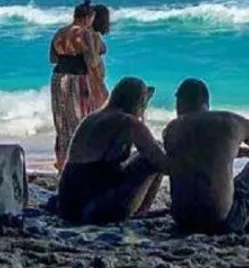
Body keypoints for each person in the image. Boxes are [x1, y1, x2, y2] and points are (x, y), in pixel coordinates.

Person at [161, 78, 249, 234]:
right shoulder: (231, 121)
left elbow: (198, 155)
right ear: (206, 102)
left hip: (182, 221)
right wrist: (247, 151)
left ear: (179, 103)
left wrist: (236, 151)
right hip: (222, 223)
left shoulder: (171, 129)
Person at [56, 76, 168, 225]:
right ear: (139, 101)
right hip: (95, 209)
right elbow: (162, 163)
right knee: (154, 155)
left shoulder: (93, 118)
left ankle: (139, 211)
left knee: (141, 155)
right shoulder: (128, 121)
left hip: (68, 206)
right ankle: (141, 212)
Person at [49, 0, 98, 170]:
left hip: (57, 77)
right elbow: (92, 61)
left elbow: (52, 59)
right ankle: (78, 163)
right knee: (80, 120)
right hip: (77, 78)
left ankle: (61, 162)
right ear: (87, 18)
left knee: (61, 123)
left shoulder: (59, 32)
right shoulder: (85, 34)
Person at [88, 4, 112, 107]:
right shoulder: (94, 35)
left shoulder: (88, 33)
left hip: (92, 78)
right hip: (94, 78)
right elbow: (92, 61)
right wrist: (100, 85)